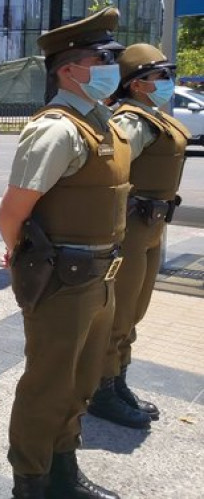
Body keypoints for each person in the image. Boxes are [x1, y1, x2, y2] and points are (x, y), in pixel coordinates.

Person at [0, 8, 128, 499]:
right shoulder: (57, 129)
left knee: (80, 382)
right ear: (70, 70)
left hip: (101, 277)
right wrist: (22, 257)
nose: (113, 67)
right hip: (64, 280)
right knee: (48, 384)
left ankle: (62, 471)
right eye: (104, 58)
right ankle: (30, 481)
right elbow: (13, 211)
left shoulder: (102, 124)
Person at [87, 44, 188, 429]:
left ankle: (118, 380)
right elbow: (109, 169)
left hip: (152, 226)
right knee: (119, 311)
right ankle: (102, 390)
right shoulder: (131, 121)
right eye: (159, 75)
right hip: (132, 228)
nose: (166, 81)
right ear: (138, 84)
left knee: (135, 310)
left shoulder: (152, 116)